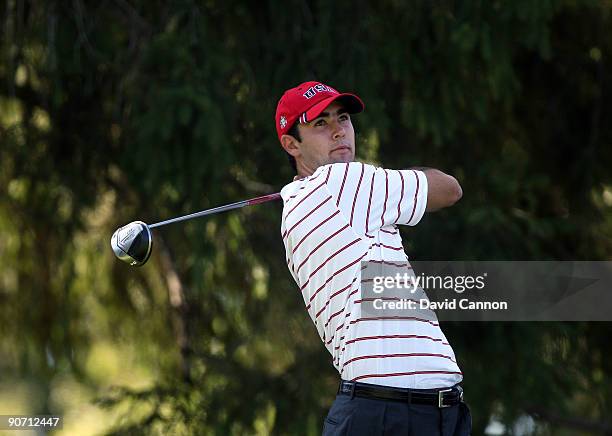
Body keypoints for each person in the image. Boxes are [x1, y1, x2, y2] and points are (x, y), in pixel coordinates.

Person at [275, 81, 472, 435]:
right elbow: (449, 188)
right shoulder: (342, 182)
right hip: (391, 413)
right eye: (320, 123)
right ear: (291, 144)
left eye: (343, 118)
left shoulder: (295, 211)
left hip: (406, 411)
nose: (338, 131)